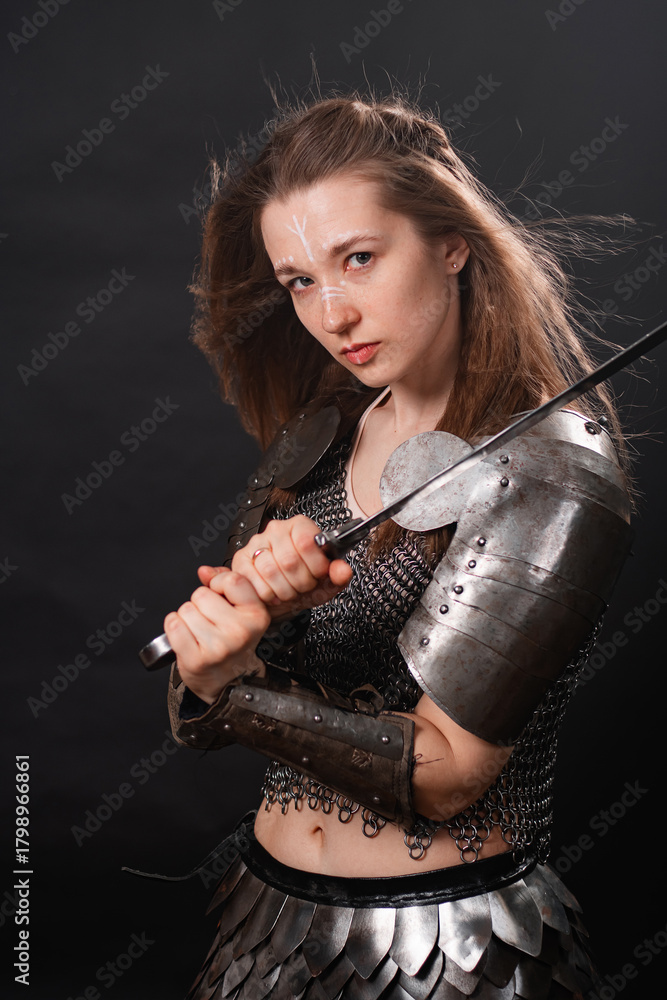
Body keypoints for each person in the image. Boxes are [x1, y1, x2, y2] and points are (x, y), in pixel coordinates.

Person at [163, 94, 633, 999]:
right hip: (265, 931)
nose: (332, 314)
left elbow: (447, 774)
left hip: (448, 952)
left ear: (451, 244)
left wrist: (236, 685)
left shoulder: (549, 469)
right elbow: (200, 712)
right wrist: (243, 628)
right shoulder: (321, 435)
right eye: (299, 281)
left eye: (359, 259)